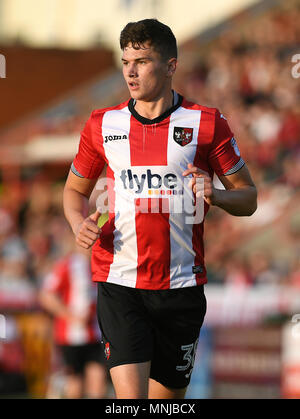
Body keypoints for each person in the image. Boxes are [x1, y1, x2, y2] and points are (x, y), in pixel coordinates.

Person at [63, 18, 257, 399]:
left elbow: (248, 198)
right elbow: (73, 190)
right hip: (120, 282)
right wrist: (76, 223)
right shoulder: (103, 124)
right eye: (125, 62)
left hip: (180, 287)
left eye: (142, 61)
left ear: (171, 65)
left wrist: (216, 195)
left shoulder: (207, 123)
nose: (130, 71)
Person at [39, 239, 108, 399]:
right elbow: (46, 295)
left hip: (96, 334)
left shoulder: (101, 265)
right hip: (71, 336)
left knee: (98, 382)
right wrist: (71, 316)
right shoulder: (67, 266)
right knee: (75, 385)